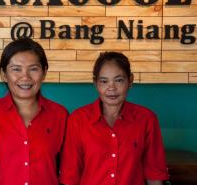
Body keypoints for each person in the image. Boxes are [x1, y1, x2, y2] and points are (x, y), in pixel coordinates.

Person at [59, 52, 169, 185]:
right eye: (104, 81)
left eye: (119, 80)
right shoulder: (78, 120)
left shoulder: (146, 119)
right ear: (96, 83)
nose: (111, 88)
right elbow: (70, 176)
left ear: (130, 80)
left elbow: (154, 174)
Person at [0, 38, 68, 185]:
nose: (25, 77)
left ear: (44, 72)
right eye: (16, 69)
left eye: (33, 69)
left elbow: (67, 169)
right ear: (4, 74)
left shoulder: (60, 115)